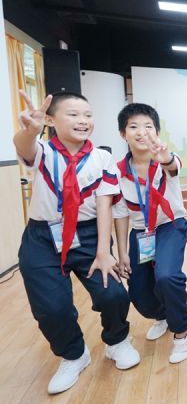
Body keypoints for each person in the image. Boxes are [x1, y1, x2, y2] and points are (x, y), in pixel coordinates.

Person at [14, 91, 139, 395]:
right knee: (51, 308)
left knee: (113, 294)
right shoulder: (43, 151)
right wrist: (30, 131)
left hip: (89, 235)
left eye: (87, 115)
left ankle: (117, 340)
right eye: (73, 114)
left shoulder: (102, 158)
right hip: (43, 237)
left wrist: (104, 252)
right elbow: (24, 146)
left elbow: (105, 205)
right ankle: (73, 355)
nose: (83, 121)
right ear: (50, 120)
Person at [113, 103, 187, 364]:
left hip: (170, 225)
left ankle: (182, 330)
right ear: (123, 134)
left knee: (167, 276)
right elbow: (120, 213)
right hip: (141, 231)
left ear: (157, 132)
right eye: (133, 126)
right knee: (138, 292)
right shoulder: (117, 171)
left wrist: (165, 157)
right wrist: (122, 252)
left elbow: (173, 166)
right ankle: (163, 315)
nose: (141, 132)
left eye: (148, 126)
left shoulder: (165, 158)